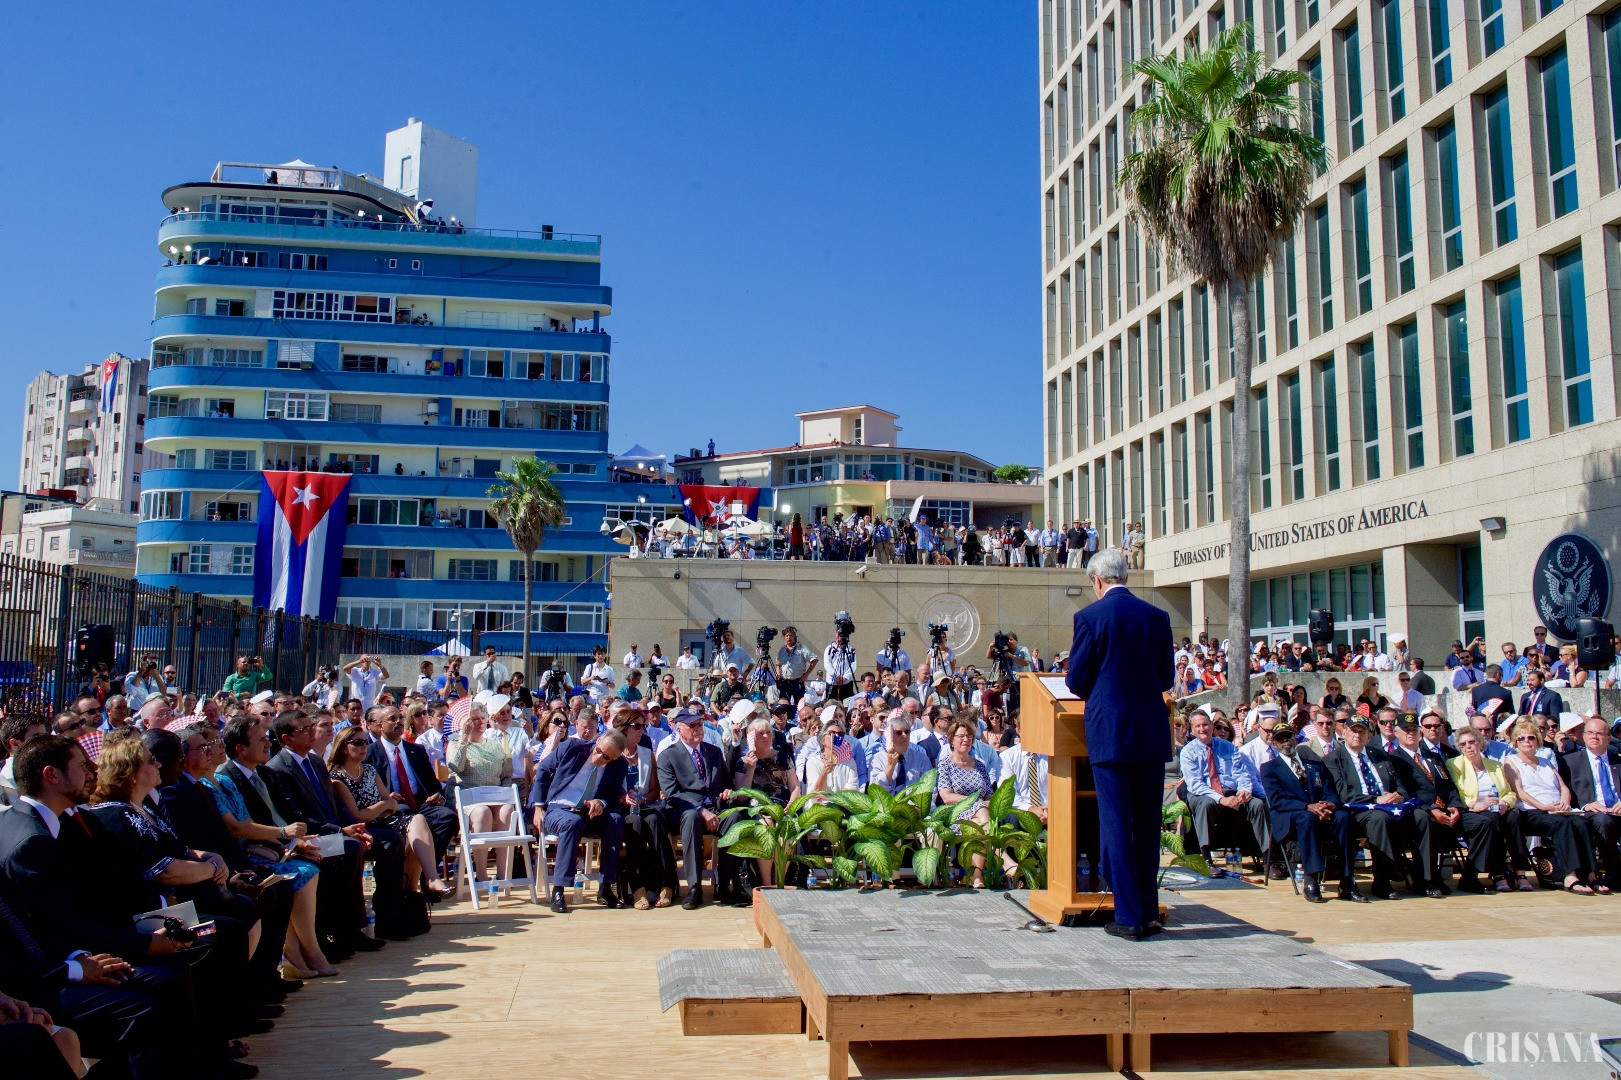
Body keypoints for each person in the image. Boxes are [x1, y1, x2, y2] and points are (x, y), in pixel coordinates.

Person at [1064, 548, 1173, 940]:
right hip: (1150, 733)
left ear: (1096, 580)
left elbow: (1076, 680)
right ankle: (1148, 913)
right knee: (1146, 826)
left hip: (1109, 733)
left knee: (1116, 824)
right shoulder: (1157, 617)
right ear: (1125, 576)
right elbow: (1166, 678)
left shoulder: (1090, 617)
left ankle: (1128, 917)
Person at [1322, 716, 1420, 901]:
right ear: (1344, 732)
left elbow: (1398, 783)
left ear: (1369, 735)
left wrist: (1399, 795)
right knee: (1378, 819)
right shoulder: (1333, 759)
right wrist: (1376, 799)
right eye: (1353, 731)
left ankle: (1425, 879)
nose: (1357, 735)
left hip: (1390, 805)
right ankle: (1382, 880)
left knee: (1421, 816)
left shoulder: (1379, 755)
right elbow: (1343, 794)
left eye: (1362, 732)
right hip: (1358, 809)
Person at [1258, 720, 1356, 903]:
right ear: (1274, 743)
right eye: (1280, 739)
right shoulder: (1269, 768)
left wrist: (1329, 805)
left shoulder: (1314, 764)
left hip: (1319, 812)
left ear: (1295, 738)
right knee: (1307, 818)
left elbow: (1330, 790)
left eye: (1288, 737)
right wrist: (1307, 806)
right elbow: (1277, 800)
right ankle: (1311, 878)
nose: (1286, 742)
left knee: (1343, 817)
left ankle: (1347, 879)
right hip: (1291, 815)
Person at [532, 731, 628, 913]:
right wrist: (538, 806)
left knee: (615, 821)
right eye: (598, 751)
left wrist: (601, 802)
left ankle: (606, 887)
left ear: (615, 757)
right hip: (559, 808)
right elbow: (543, 769)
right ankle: (559, 890)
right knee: (572, 822)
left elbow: (613, 794)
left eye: (606, 757)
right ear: (597, 741)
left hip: (588, 812)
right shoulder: (572, 747)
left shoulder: (619, 765)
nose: (598, 757)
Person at [1503, 718, 1598, 893]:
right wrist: (1543, 806)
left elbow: (1563, 787)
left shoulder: (1545, 761)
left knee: (1581, 823)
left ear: (1537, 739)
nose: (1526, 741)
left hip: (1557, 809)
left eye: (1531, 737)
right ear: (1515, 741)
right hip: (1532, 811)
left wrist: (1565, 803)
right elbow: (1519, 792)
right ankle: (1570, 876)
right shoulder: (1511, 761)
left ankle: (1591, 875)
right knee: (1562, 824)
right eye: (1521, 738)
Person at [656, 707, 731, 909]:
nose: (698, 728)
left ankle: (725, 884)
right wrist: (700, 810)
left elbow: (726, 782)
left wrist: (727, 791)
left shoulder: (714, 752)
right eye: (692, 725)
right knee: (691, 817)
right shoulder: (668, 755)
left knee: (734, 818)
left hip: (715, 808)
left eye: (700, 724)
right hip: (684, 810)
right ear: (679, 730)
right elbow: (671, 793)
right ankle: (694, 886)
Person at [1179, 711, 1270, 865]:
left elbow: (1241, 772)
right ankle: (1206, 858)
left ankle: (1268, 856)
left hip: (1231, 791)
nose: (1202, 729)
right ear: (1192, 729)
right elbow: (1195, 785)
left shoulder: (1228, 747)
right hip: (1204, 794)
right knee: (1206, 804)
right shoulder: (1188, 752)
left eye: (1205, 725)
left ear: (1211, 726)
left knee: (1257, 804)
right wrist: (1221, 799)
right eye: (1198, 726)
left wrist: (1245, 790)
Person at [1447, 726, 1526, 892]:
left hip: (1498, 807)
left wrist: (1505, 803)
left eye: (1472, 742)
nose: (1468, 746)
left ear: (1481, 743)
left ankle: (1520, 871)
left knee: (1513, 818)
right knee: (1492, 819)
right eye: (1463, 744)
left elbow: (1509, 793)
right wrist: (1476, 804)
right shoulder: (1454, 764)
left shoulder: (1495, 765)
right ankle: (1498, 872)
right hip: (1472, 811)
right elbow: (1458, 793)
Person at [610, 712, 677, 909]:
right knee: (635, 824)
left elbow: (655, 790)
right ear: (624, 729)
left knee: (656, 820)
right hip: (621, 809)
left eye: (643, 726)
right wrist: (623, 798)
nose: (642, 730)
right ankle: (638, 887)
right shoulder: (612, 754)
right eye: (637, 726)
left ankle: (667, 883)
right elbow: (605, 788)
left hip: (644, 805)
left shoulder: (647, 754)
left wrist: (643, 798)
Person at [1558, 715, 1621, 891]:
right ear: (1584, 736)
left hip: (1618, 809)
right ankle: (1614, 874)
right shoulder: (1569, 762)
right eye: (1590, 733)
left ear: (1609, 737)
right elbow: (1565, 792)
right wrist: (1586, 805)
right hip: (1591, 812)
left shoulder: (1618, 761)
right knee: (1603, 821)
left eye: (1600, 733)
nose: (1594, 737)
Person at [936, 720, 995, 886]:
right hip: (956, 813)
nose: (966, 740)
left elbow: (989, 795)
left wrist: (984, 804)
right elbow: (946, 797)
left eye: (969, 736)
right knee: (981, 811)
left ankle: (975, 877)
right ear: (952, 740)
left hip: (979, 818)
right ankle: (1002, 858)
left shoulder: (980, 766)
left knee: (979, 825)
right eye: (961, 736)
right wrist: (975, 801)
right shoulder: (945, 764)